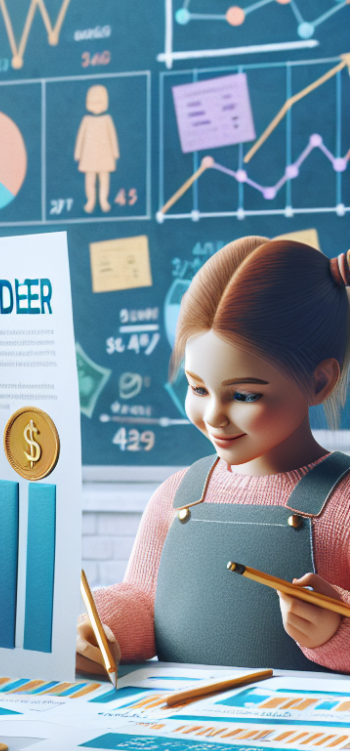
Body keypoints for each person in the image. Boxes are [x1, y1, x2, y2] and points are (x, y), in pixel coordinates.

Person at [77, 237, 350, 674]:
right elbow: (146, 599)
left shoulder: (344, 504)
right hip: (181, 727)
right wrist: (102, 629)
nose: (214, 415)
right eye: (197, 388)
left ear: (319, 382)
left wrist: (335, 631)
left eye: (244, 394)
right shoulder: (178, 494)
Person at [74, 84, 119, 213]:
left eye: (99, 102)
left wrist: (115, 152)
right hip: (89, 154)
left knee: (104, 178)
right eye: (93, 102)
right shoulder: (86, 120)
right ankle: (91, 201)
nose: (96, 105)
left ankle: (103, 200)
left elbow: (112, 137)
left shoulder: (107, 119)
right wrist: (78, 153)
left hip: (105, 154)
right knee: (90, 179)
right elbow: (80, 138)